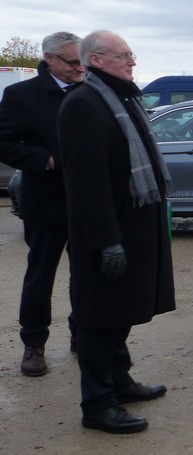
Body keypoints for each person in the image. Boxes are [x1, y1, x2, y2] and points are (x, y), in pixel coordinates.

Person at [57, 30, 175, 434]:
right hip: (108, 235)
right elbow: (85, 185)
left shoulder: (122, 98)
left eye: (132, 54)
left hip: (135, 229)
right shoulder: (84, 104)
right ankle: (98, 404)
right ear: (97, 60)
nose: (132, 62)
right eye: (124, 56)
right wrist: (106, 240)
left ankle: (120, 382)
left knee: (119, 314)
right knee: (98, 320)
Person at [0, 31, 84, 377]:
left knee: (87, 275)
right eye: (72, 61)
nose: (80, 68)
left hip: (87, 202)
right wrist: (45, 160)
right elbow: (4, 142)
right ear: (50, 59)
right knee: (40, 275)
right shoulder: (21, 94)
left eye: (83, 60)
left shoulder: (91, 91)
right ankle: (34, 344)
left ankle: (84, 334)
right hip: (46, 202)